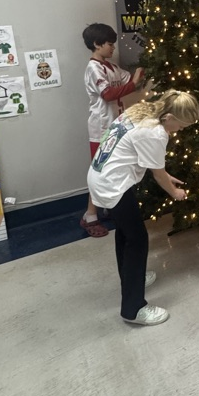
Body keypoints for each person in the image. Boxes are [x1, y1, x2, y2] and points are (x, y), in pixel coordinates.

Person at [87, 90, 199, 326]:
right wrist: (175, 192)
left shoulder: (140, 112)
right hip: (113, 185)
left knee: (127, 234)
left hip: (102, 177)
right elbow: (157, 175)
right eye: (181, 125)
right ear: (169, 116)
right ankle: (133, 309)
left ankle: (131, 277)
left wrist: (166, 175)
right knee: (138, 239)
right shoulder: (156, 133)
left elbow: (147, 160)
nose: (181, 130)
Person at [81, 22, 147, 237]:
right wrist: (134, 82)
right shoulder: (94, 68)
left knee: (113, 168)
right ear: (96, 44)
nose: (113, 48)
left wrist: (140, 74)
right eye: (109, 44)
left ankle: (111, 206)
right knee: (99, 170)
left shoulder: (111, 67)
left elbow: (129, 80)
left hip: (115, 127)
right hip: (101, 128)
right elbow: (108, 94)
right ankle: (90, 215)